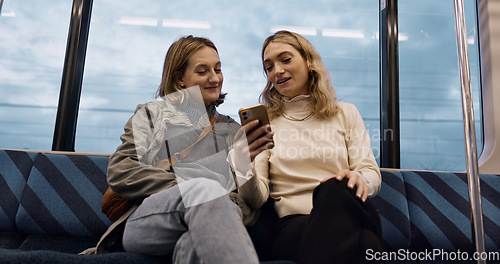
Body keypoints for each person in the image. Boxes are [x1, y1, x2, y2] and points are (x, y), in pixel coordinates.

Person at [81, 35, 273, 264]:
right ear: (180, 79)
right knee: (205, 190)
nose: (215, 78)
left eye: (218, 69)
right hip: (151, 221)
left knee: (193, 243)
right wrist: (187, 188)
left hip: (215, 219)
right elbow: (122, 170)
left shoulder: (232, 131)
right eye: (203, 71)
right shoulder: (152, 116)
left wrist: (242, 168)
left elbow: (250, 206)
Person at [236, 30, 384, 264]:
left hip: (350, 209)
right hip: (295, 225)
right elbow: (257, 198)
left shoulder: (346, 113)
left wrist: (358, 179)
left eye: (285, 59)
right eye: (269, 67)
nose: (277, 71)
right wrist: (243, 164)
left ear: (308, 62)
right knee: (367, 244)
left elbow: (370, 173)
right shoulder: (266, 124)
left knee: (334, 189)